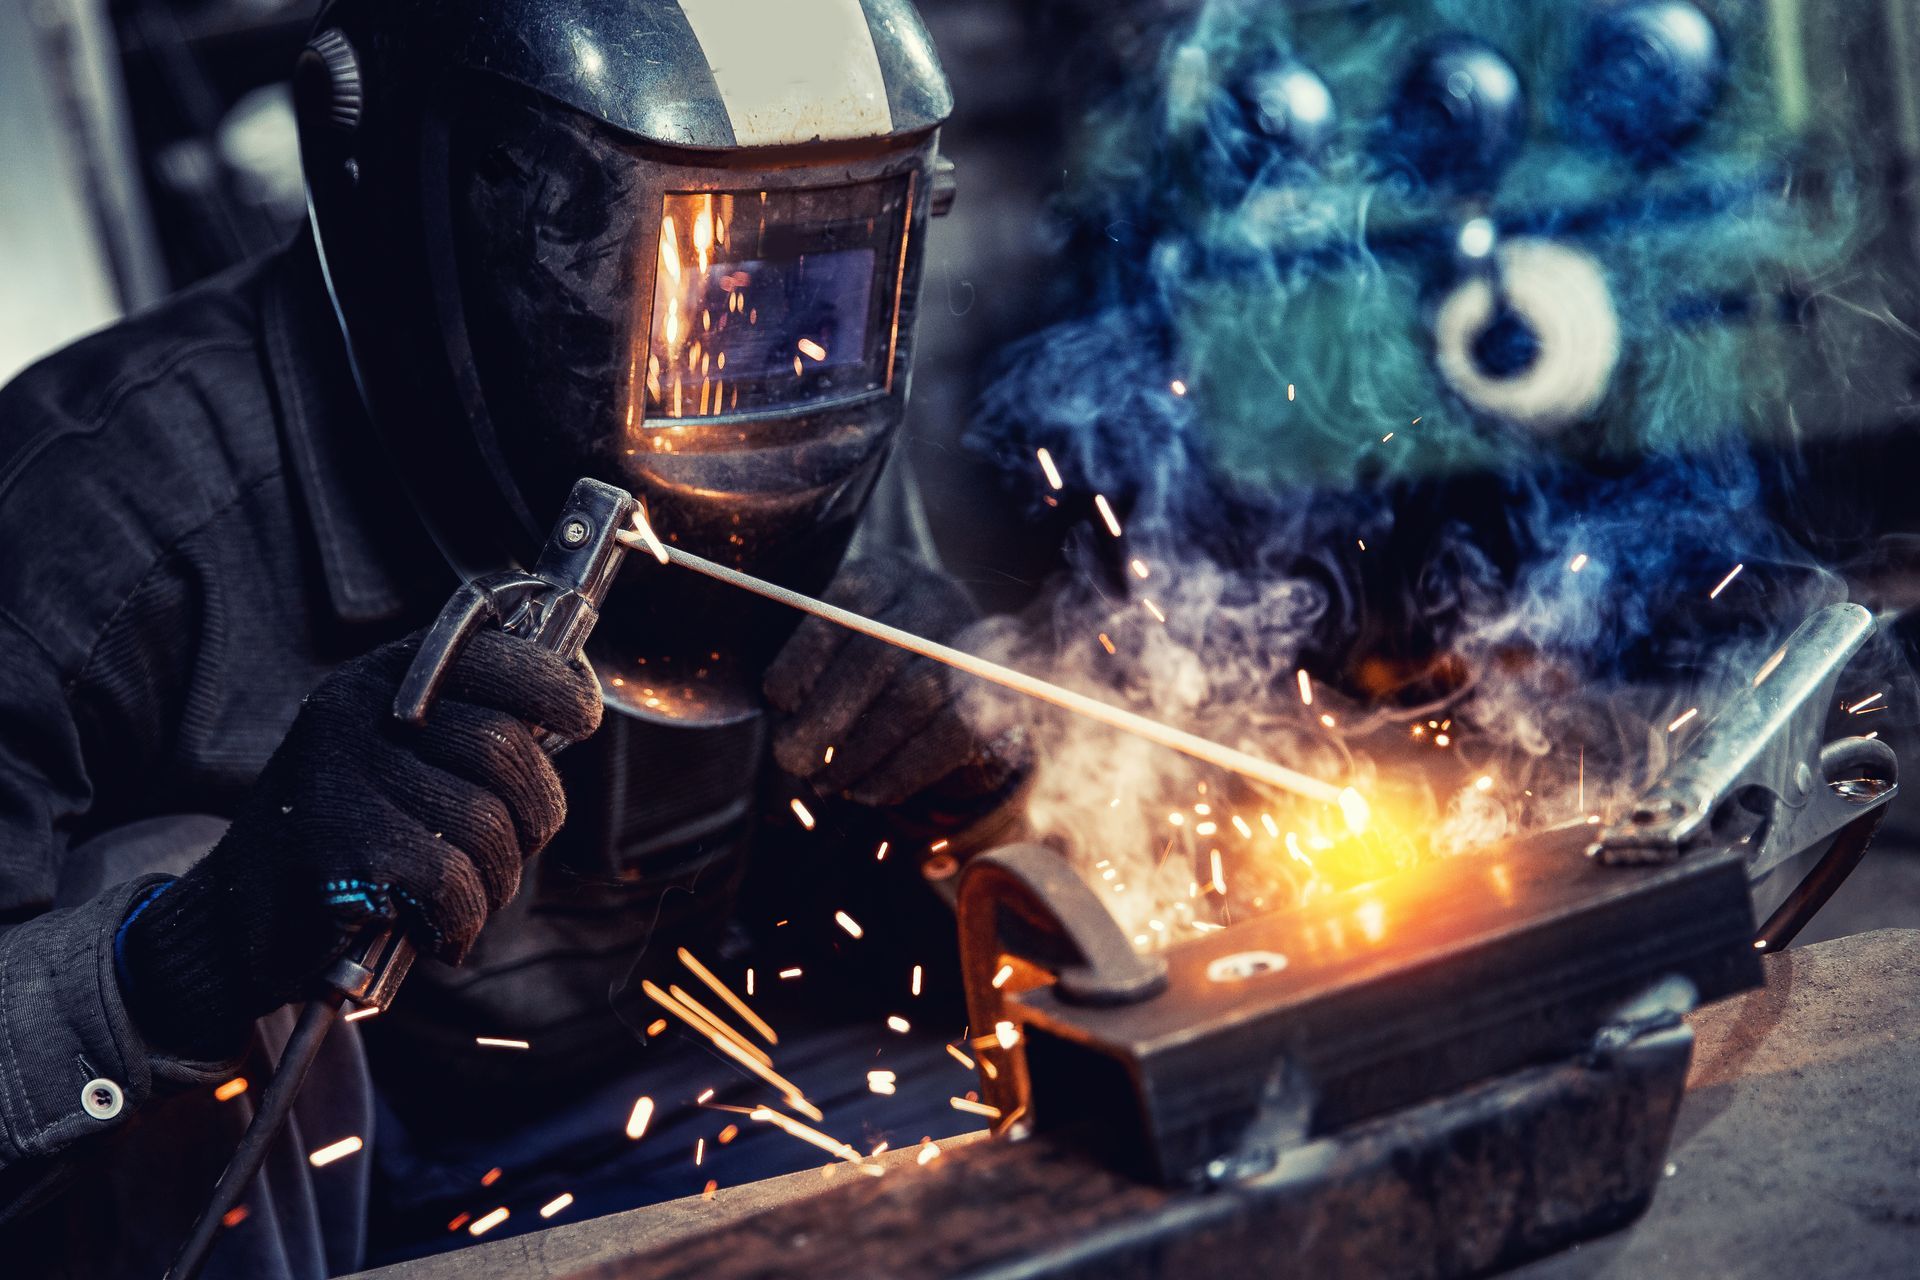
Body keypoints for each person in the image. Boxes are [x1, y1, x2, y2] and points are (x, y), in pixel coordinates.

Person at [0, 1, 1022, 1274]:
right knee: (147, 862)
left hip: (684, 1124)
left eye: (818, 269)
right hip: (304, 1214)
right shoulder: (95, 510)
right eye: (708, 274)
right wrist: (188, 949)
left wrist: (978, 780)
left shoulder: (826, 410)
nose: (764, 344)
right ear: (400, 173)